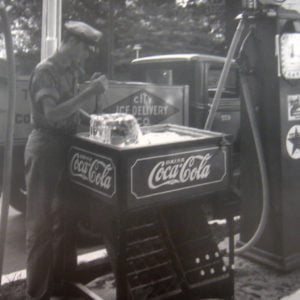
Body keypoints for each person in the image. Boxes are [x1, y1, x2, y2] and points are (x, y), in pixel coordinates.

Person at [24, 20, 108, 299]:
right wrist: (89, 93)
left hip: (67, 147)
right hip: (46, 148)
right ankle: (38, 292)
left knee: (66, 218)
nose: (86, 56)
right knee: (40, 225)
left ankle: (62, 284)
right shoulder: (46, 70)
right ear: (72, 42)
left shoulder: (71, 70)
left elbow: (71, 108)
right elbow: (52, 114)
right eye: (85, 49)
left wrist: (95, 119)